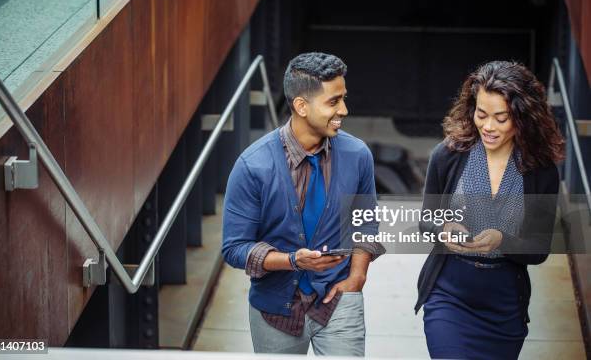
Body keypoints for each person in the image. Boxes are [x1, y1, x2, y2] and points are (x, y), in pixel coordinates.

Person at [222, 52, 383, 356]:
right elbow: (234, 247)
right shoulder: (252, 166)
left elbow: (365, 225)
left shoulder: (358, 155)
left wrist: (357, 277)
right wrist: (293, 261)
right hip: (274, 310)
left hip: (339, 300)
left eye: (343, 98)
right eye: (333, 102)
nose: (344, 110)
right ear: (301, 106)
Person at [415, 61, 565, 359]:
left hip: (504, 305)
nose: (488, 126)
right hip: (449, 295)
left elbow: (538, 249)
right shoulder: (448, 155)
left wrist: (502, 240)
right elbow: (426, 220)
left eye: (501, 118)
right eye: (481, 114)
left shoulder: (542, 172)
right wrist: (443, 229)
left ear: (523, 117)